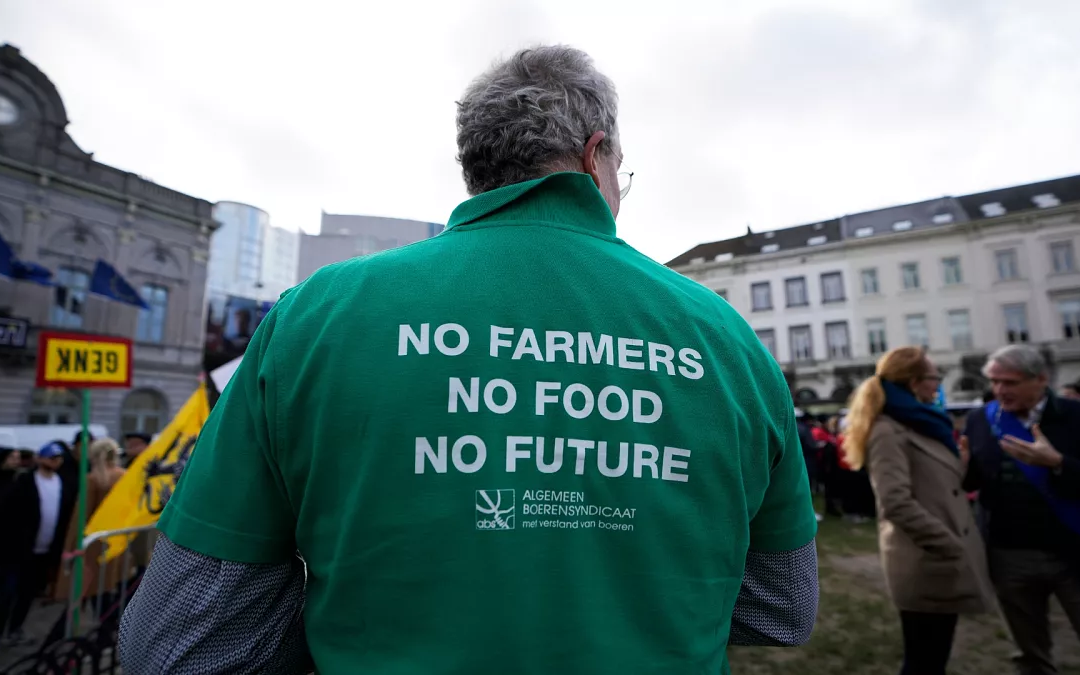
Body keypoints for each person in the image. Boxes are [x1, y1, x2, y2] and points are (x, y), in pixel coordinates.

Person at [120, 45, 819, 674]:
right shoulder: (726, 339)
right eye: (621, 172)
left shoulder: (319, 313)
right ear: (593, 154)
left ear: (476, 166)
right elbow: (780, 610)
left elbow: (181, 642)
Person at [844, 347, 994, 675]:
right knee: (924, 661)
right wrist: (949, 544)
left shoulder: (926, 422)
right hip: (925, 558)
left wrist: (962, 466)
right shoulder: (888, 429)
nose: (938, 384)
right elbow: (895, 501)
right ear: (913, 383)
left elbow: (938, 483)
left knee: (934, 657)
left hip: (940, 556)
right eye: (933, 378)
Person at [963, 345, 1080, 675]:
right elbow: (976, 480)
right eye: (995, 382)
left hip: (1071, 549)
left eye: (1010, 382)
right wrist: (961, 470)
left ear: (1041, 379)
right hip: (1009, 554)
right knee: (1030, 653)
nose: (1000, 390)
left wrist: (1058, 464)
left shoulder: (1074, 416)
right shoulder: (980, 419)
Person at [0, 442, 75, 645]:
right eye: (51, 457)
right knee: (6, 592)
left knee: (27, 593)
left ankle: (16, 628)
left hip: (44, 550)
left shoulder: (62, 483)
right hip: (17, 550)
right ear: (40, 459)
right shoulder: (24, 481)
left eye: (58, 458)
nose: (55, 462)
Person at [54, 438, 127, 607]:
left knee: (88, 590)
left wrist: (69, 547)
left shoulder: (93, 479)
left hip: (92, 542)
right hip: (116, 540)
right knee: (104, 590)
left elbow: (80, 517)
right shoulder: (125, 477)